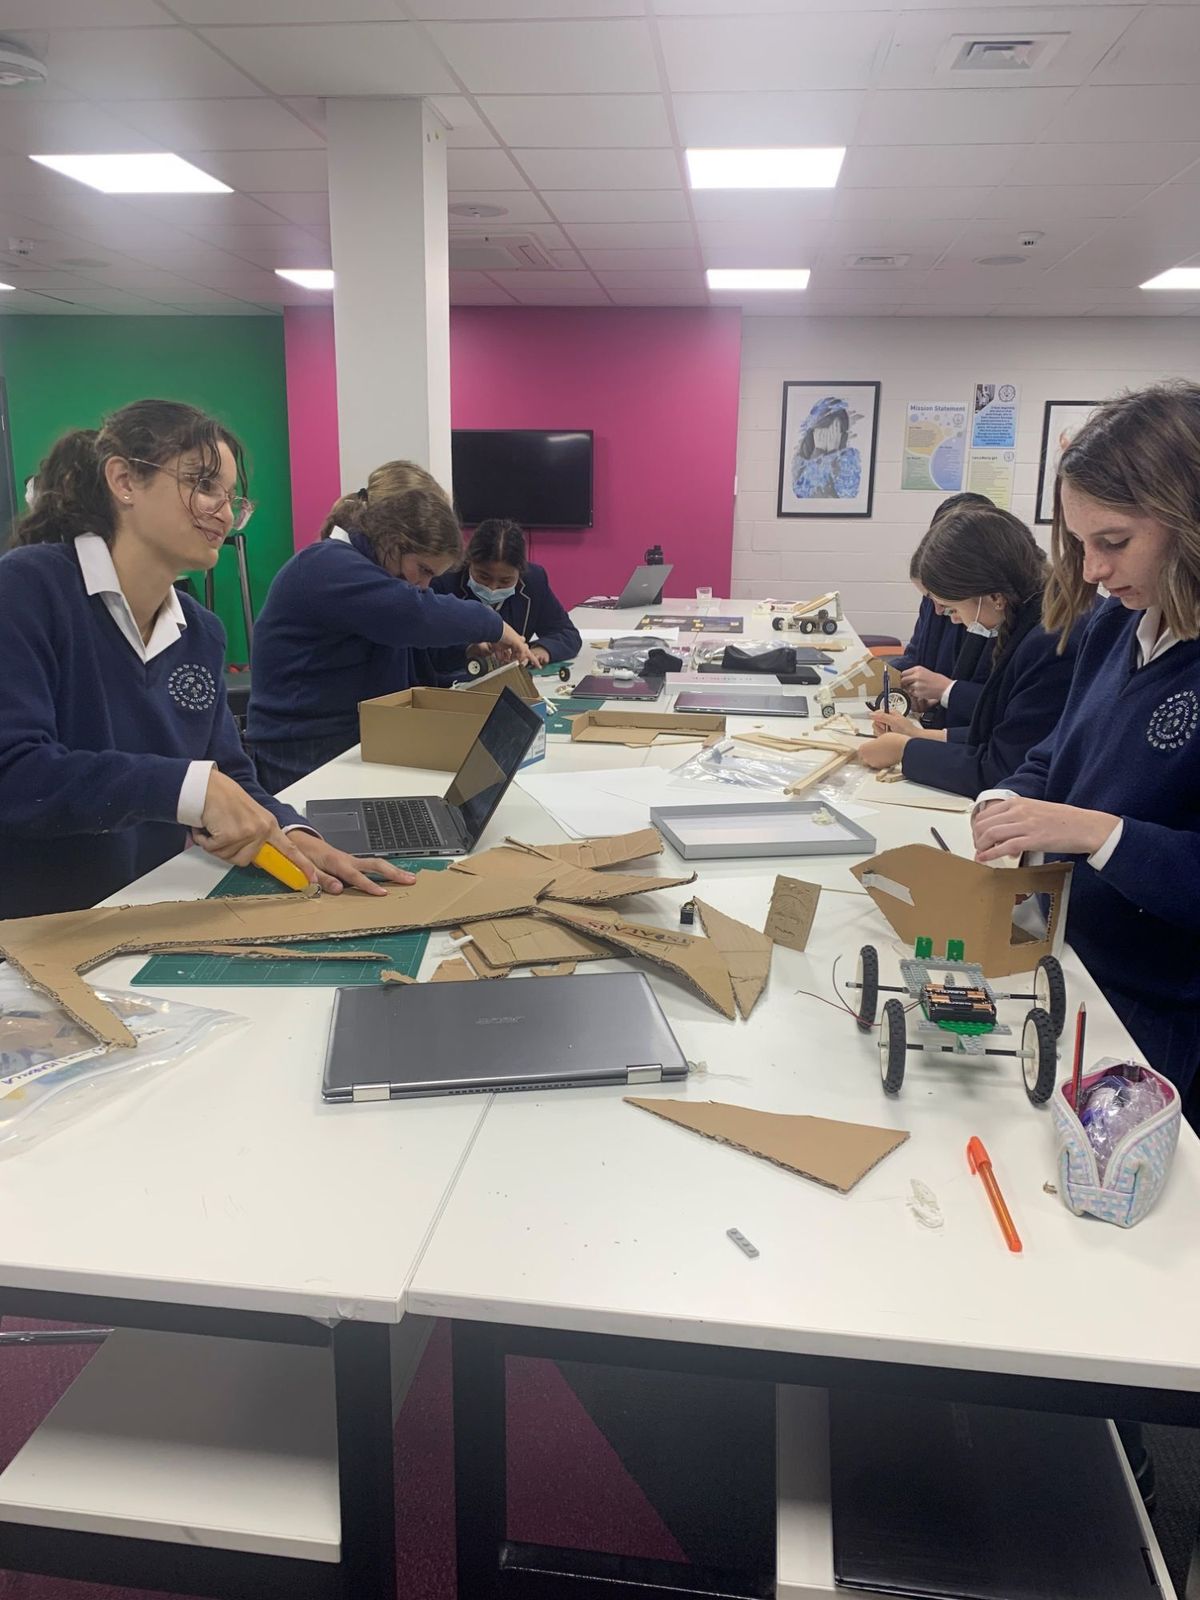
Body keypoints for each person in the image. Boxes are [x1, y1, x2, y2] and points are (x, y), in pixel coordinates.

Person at [0, 400, 413, 918]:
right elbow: (15, 774)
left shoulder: (200, 632)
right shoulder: (27, 588)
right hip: (36, 928)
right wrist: (186, 788)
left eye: (231, 496)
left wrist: (291, 832)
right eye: (202, 484)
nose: (224, 511)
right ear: (124, 481)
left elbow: (228, 772)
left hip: (148, 907)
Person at [972, 382, 1200, 1115]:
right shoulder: (1115, 623)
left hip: (1156, 1014)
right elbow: (1061, 751)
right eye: (1079, 544)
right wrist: (1008, 798)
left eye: (1115, 542)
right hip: (1065, 959)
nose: (1093, 570)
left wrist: (1096, 833)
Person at [247, 484, 533, 793]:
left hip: (348, 740)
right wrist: (495, 625)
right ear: (394, 542)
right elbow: (415, 614)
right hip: (301, 751)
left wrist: (467, 649)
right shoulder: (328, 565)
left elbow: (412, 652)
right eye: (423, 569)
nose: (424, 585)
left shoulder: (370, 575)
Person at [858, 505, 1083, 796]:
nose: (954, 620)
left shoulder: (1050, 641)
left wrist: (907, 750)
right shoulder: (1027, 617)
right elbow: (1003, 729)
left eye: (953, 609)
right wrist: (920, 735)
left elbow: (1003, 767)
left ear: (994, 597)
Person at [893, 492, 995, 725]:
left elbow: (1003, 707)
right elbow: (917, 655)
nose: (939, 609)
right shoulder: (935, 599)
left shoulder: (993, 617)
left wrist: (946, 691)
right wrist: (897, 678)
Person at [429, 518, 581, 669]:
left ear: (520, 572)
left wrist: (541, 650)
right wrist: (469, 649)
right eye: (483, 577)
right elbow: (427, 651)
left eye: (505, 580)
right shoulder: (443, 580)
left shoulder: (533, 581)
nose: (492, 588)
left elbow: (567, 633)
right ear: (469, 561)